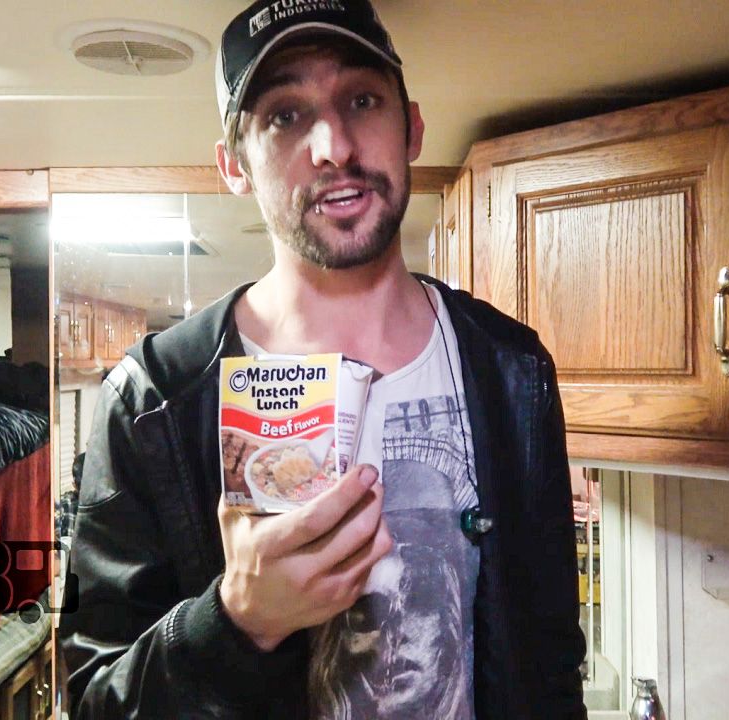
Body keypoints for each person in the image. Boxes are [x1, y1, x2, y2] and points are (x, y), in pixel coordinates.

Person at [59, 1, 588, 718]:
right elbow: (94, 700)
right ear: (234, 166)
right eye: (285, 115)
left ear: (413, 128)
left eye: (362, 100)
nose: (333, 144)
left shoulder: (512, 371)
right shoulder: (153, 400)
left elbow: (550, 659)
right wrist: (237, 621)